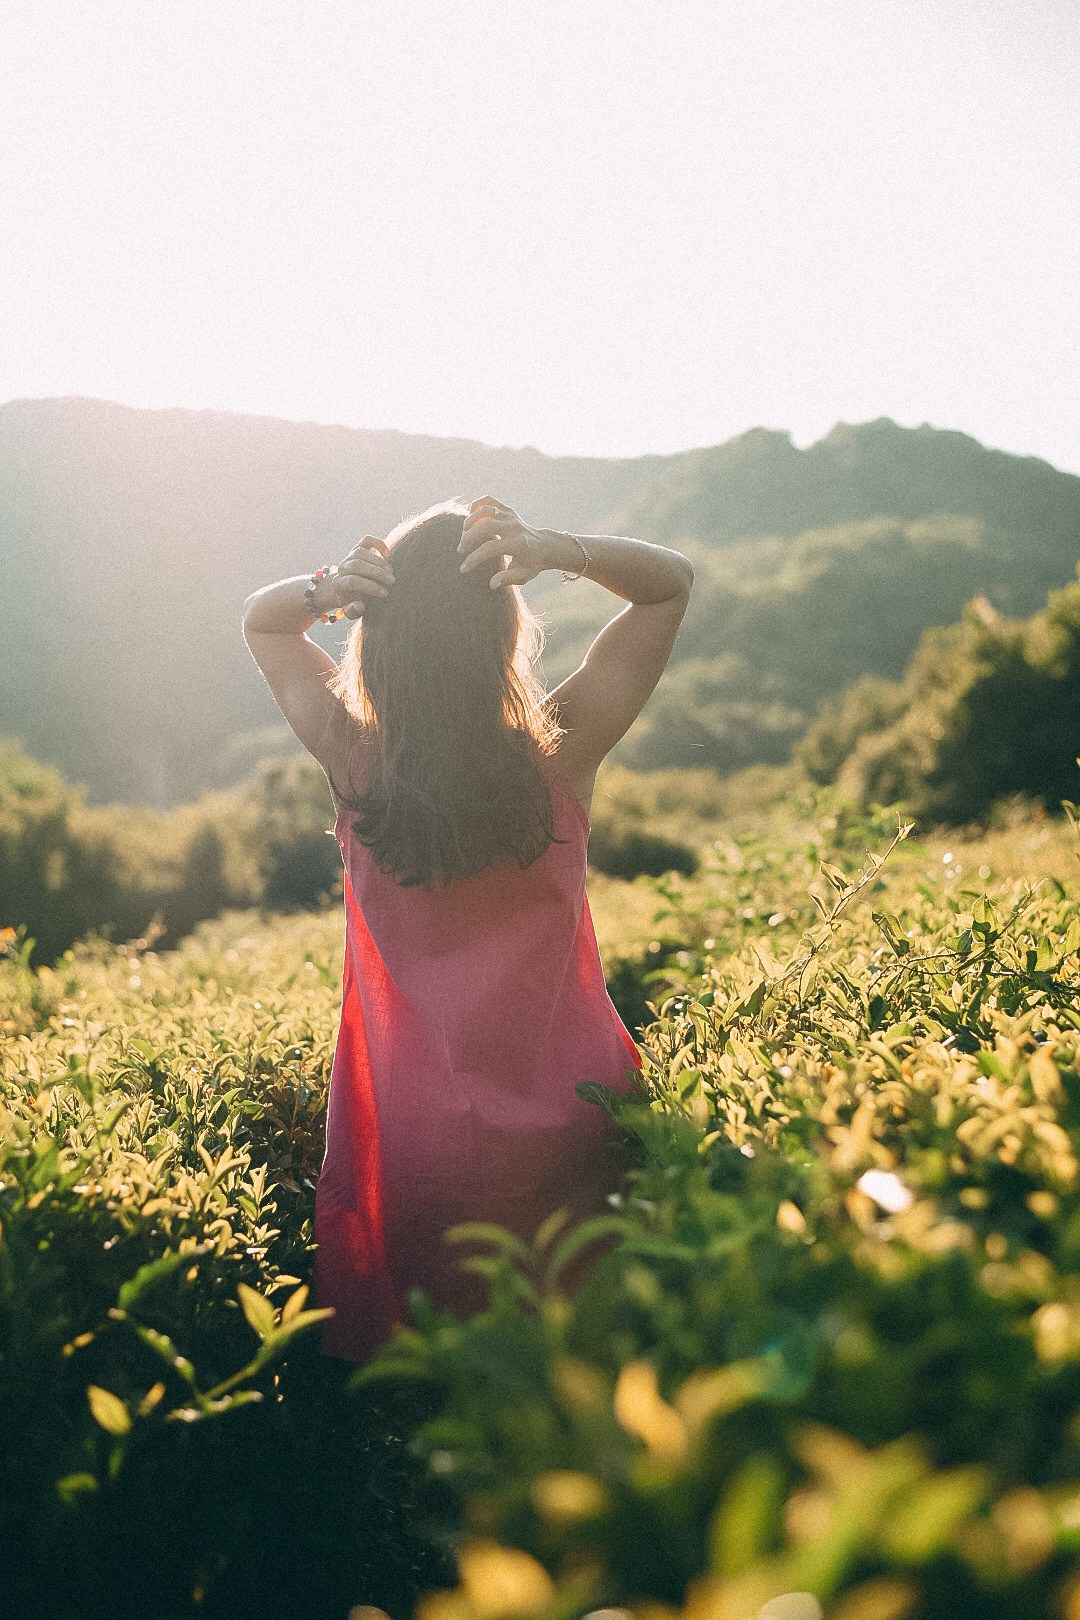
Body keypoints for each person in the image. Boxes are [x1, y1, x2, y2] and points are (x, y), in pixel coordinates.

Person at [243, 495, 694, 1360]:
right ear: (504, 633)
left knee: (440, 1401)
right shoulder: (561, 749)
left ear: (377, 637)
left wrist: (328, 589)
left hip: (415, 1156)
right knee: (590, 1394)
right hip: (580, 1132)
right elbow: (667, 587)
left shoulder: (353, 762)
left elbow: (262, 628)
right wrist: (556, 547)